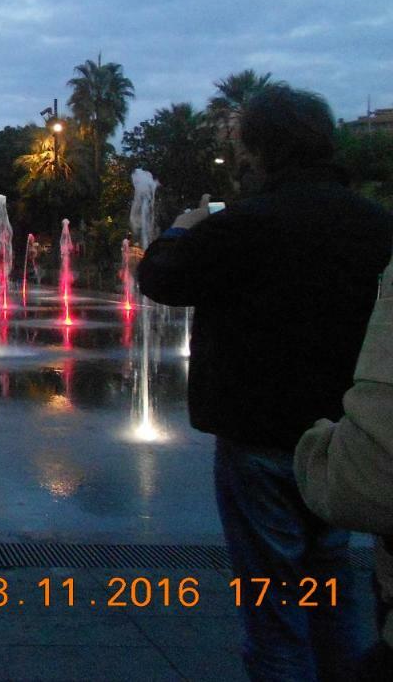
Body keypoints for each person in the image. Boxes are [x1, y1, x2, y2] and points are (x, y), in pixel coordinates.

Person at [137, 84, 393, 681]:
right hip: (341, 438)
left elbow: (161, 279)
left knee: (275, 614)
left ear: (262, 151)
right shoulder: (376, 227)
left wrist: (180, 229)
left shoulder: (245, 225)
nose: (240, 161)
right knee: (333, 592)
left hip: (258, 440)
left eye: (243, 148)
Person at [295, 257, 393, 681]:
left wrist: (319, 444)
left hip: (269, 439)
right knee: (328, 583)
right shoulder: (372, 226)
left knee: (273, 618)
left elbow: (364, 477)